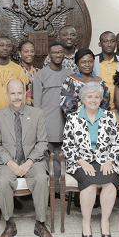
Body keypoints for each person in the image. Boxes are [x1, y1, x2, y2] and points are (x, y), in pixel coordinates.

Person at [0, 79, 54, 237]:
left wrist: (29, 162)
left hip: (32, 160)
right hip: (6, 162)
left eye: (20, 93)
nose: (17, 97)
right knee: (2, 181)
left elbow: (42, 142)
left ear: (25, 94)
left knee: (40, 178)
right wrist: (10, 163)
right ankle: (9, 223)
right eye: (13, 93)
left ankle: (40, 223)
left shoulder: (37, 114)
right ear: (7, 95)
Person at [62, 82, 119, 237]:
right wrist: (83, 163)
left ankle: (105, 221)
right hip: (80, 161)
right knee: (89, 184)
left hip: (105, 161)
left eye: (97, 97)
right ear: (82, 99)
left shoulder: (109, 117)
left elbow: (117, 143)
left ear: (101, 99)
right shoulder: (73, 118)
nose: (94, 100)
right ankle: (86, 222)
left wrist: (110, 160)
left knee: (110, 184)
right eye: (90, 96)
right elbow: (67, 145)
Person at [34, 42, 71, 195]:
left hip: (65, 123)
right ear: (49, 55)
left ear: (64, 54)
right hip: (46, 123)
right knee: (46, 156)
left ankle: (58, 189)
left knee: (61, 157)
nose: (58, 54)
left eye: (60, 52)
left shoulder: (69, 74)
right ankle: (47, 190)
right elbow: (37, 103)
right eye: (54, 52)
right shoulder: (41, 74)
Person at [60, 49, 110, 117]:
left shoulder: (100, 82)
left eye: (90, 62)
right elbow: (67, 106)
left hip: (98, 122)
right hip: (77, 122)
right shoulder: (70, 81)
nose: (87, 65)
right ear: (77, 63)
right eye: (83, 62)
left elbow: (105, 104)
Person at [94, 31, 119, 112]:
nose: (109, 44)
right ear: (100, 44)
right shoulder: (94, 60)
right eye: (105, 41)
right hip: (98, 108)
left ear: (116, 43)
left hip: (118, 108)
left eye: (112, 41)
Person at [18, 40, 38, 106]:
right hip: (20, 109)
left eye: (32, 51)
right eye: (26, 51)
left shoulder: (38, 72)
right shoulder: (15, 71)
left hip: (36, 110)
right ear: (19, 53)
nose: (30, 54)